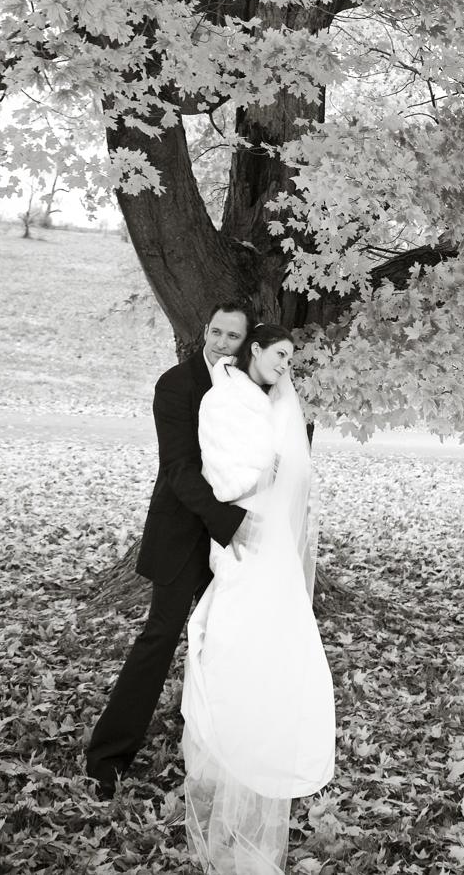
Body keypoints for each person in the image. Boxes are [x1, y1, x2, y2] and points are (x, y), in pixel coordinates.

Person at [85, 299, 256, 797]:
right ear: (206, 329)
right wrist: (231, 523)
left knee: (222, 643)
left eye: (232, 337)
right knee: (159, 639)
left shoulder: (248, 388)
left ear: (246, 344)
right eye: (216, 332)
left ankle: (209, 745)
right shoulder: (176, 384)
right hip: (187, 531)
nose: (221, 343)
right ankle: (108, 755)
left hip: (231, 540)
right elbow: (179, 468)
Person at [181, 324, 335, 875]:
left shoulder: (275, 406)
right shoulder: (224, 399)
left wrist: (275, 475)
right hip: (242, 538)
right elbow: (219, 470)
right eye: (279, 354)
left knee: (277, 647)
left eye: (292, 358)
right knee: (231, 640)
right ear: (255, 351)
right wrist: (256, 477)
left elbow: (290, 478)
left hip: (272, 546)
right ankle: (230, 754)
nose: (285, 365)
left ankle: (263, 749)